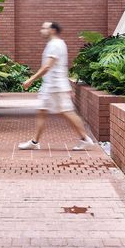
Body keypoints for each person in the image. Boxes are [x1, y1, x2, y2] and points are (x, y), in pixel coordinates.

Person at [18, 21, 94, 151]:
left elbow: (48, 66)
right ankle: (35, 142)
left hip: (55, 86)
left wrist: (31, 79)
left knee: (67, 113)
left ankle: (85, 139)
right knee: (43, 111)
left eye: (44, 28)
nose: (41, 30)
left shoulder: (55, 45)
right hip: (53, 85)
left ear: (52, 30)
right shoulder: (56, 44)